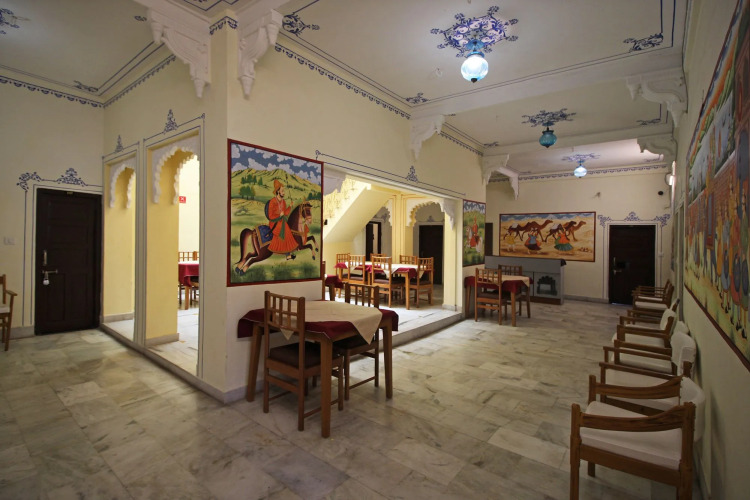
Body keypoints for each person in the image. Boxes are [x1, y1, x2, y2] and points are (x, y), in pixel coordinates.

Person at [267, 179, 298, 259]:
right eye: (282, 191)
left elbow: (285, 213)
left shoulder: (283, 202)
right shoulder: (273, 201)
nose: (284, 193)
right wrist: (278, 215)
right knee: (285, 228)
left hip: (281, 221)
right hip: (274, 222)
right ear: (278, 192)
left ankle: (288, 253)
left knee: (287, 227)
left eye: (284, 191)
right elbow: (270, 215)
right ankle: (285, 253)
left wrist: (290, 206)